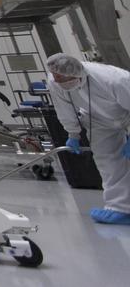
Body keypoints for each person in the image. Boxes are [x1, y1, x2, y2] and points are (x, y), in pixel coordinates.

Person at [46, 52, 130, 224]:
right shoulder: (55, 83)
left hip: (126, 114)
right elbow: (64, 109)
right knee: (108, 163)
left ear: (78, 74)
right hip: (97, 121)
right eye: (57, 78)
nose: (60, 82)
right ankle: (120, 208)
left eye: (64, 79)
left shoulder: (114, 79)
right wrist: (73, 134)